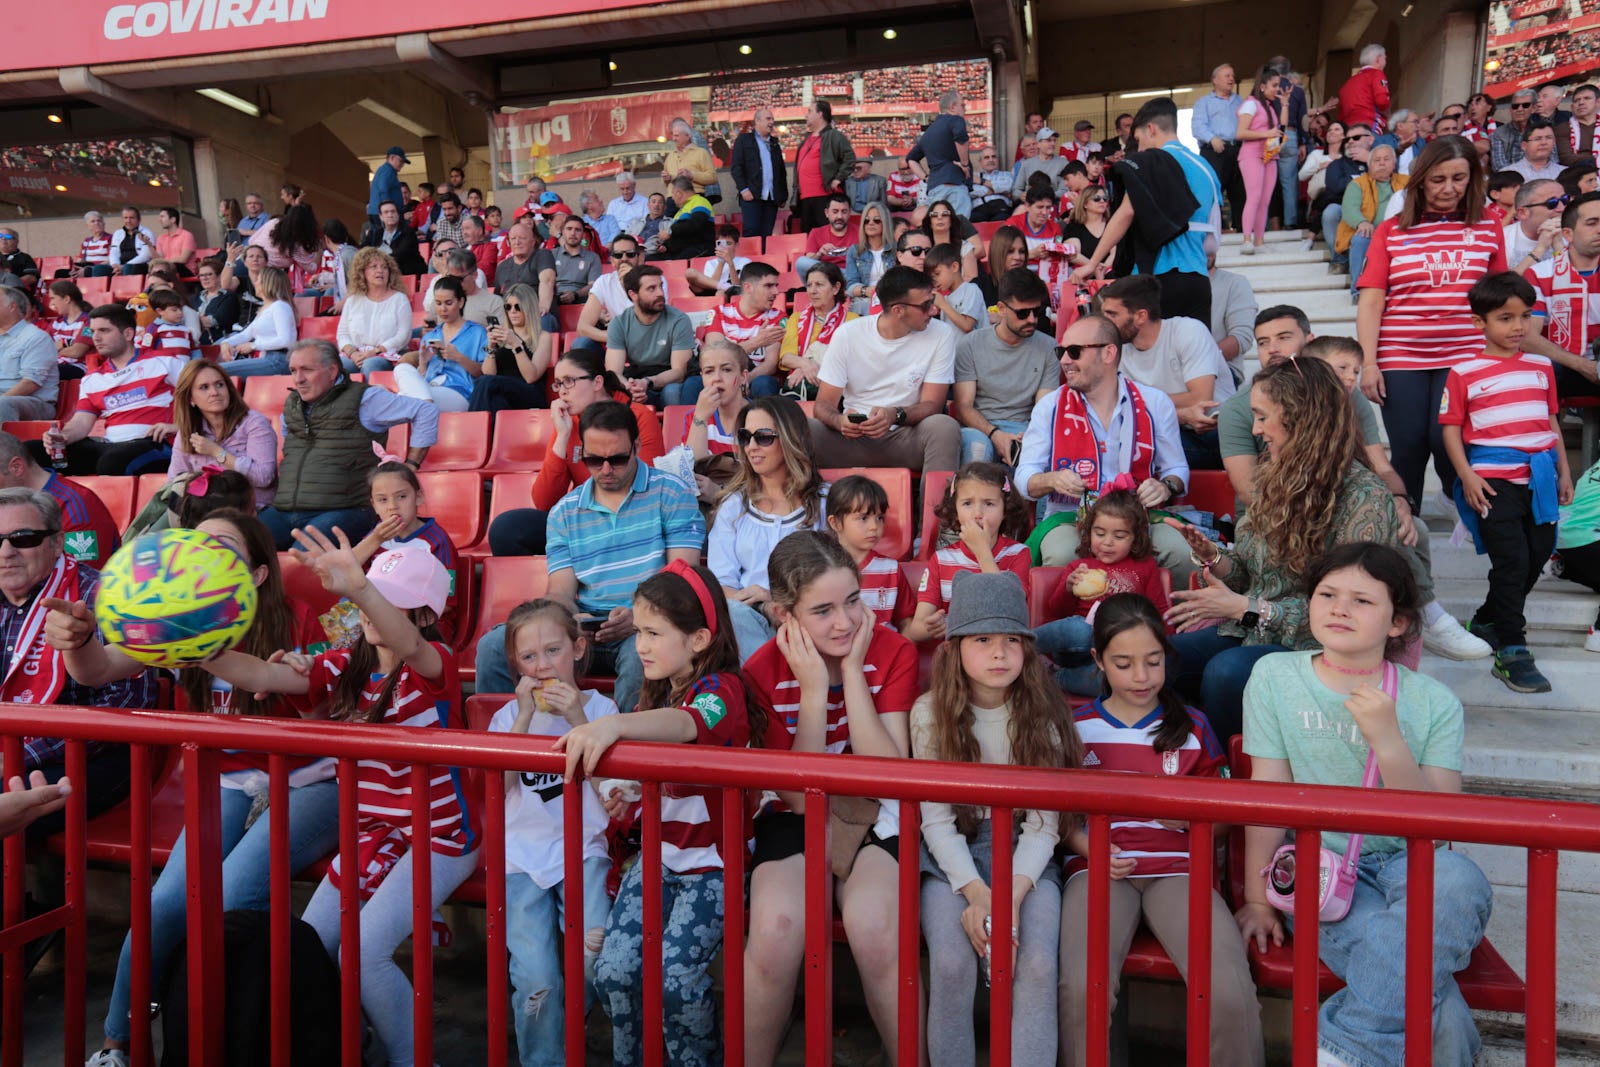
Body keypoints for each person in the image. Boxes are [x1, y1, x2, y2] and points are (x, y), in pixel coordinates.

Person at [53, 509, 330, 1067]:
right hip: (231, 778)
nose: (200, 558)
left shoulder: (302, 619)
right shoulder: (176, 619)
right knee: (165, 905)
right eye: (194, 545)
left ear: (255, 575)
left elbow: (331, 708)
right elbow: (95, 671)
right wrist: (78, 640)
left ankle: (208, 1042)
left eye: (223, 548)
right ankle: (119, 1044)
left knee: (229, 898)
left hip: (311, 778)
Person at [208, 535, 475, 1067]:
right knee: (312, 946)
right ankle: (356, 1048)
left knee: (365, 954)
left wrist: (358, 585)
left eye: (390, 599)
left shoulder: (434, 665)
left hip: (440, 836)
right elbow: (261, 674)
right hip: (373, 832)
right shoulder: (340, 666)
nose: (375, 609)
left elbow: (412, 645)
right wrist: (199, 648)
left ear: (424, 613)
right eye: (371, 595)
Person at [1239, 542, 1491, 1067]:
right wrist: (1259, 897)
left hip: (1414, 863)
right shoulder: (1275, 677)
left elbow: (1441, 825)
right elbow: (1270, 796)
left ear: (1397, 623)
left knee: (1460, 878)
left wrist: (1389, 741)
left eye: (1361, 600)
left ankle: (1345, 1049)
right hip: (1324, 867)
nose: (1338, 608)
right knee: (1426, 987)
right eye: (1327, 594)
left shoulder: (1433, 701)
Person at [558, 563, 781, 1067]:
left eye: (654, 633)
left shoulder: (723, 688)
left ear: (700, 638)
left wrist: (613, 724)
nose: (641, 645)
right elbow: (671, 771)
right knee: (614, 971)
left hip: (713, 866)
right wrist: (633, 795)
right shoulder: (657, 686)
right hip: (659, 855)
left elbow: (689, 725)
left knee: (676, 977)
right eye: (639, 632)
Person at [1055, 592, 1261, 1066]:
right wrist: (1088, 846)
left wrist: (1195, 816)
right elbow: (1058, 816)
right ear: (1098, 661)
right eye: (1124, 663)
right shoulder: (1075, 726)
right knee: (1080, 989)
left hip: (1181, 870)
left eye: (1153, 661)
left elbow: (1227, 817)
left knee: (1227, 990)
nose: (1141, 677)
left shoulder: (1193, 726)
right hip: (1098, 868)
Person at [740, 531, 917, 1066]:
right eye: (822, 610)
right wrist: (814, 691)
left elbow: (887, 776)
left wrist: (854, 679)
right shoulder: (762, 671)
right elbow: (794, 793)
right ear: (782, 614)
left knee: (874, 925)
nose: (845, 623)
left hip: (873, 812)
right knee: (775, 929)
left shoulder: (891, 649)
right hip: (799, 812)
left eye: (853, 601)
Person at [1163, 358, 1402, 739]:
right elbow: (1250, 573)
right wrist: (1215, 557)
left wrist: (1248, 608)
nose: (1256, 430)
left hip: (1322, 648)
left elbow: (1351, 608)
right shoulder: (1275, 476)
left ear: (1299, 418)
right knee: (1156, 658)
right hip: (1255, 629)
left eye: (1262, 417)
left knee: (1227, 673)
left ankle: (1238, 778)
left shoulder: (1364, 497)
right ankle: (1192, 761)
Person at [913, 569, 1075, 1065]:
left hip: (1026, 859)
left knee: (1037, 965)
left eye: (1011, 640)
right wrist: (978, 893)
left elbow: (1045, 824)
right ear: (955, 647)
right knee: (952, 964)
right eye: (982, 639)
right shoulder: (929, 714)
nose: (999, 653)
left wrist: (1009, 896)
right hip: (953, 860)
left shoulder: (1043, 715)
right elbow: (936, 821)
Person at [478, 401, 701, 714]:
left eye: (618, 459)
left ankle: (629, 756)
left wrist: (639, 618)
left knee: (645, 655)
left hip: (649, 624)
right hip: (583, 626)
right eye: (594, 460)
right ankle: (504, 748)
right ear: (581, 452)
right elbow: (560, 591)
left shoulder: (672, 493)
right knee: (493, 647)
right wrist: (567, 620)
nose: (606, 470)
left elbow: (683, 578)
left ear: (637, 446)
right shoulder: (565, 511)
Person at [488, 599, 618, 1067]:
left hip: (583, 851)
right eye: (529, 657)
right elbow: (496, 791)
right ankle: (543, 1059)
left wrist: (579, 719)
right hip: (521, 858)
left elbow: (613, 790)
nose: (543, 666)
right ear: (515, 666)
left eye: (553, 650)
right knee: (535, 976)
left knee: (592, 954)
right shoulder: (506, 719)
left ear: (579, 649)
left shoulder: (605, 710)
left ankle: (570, 1030)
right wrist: (523, 718)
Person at [1440, 272, 1573, 693]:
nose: (1518, 326)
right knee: (1513, 560)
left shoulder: (1541, 366)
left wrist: (1564, 471)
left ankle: (1486, 619)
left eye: (1525, 316)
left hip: (1542, 479)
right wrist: (1466, 475)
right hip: (1494, 482)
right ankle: (1512, 648)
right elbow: (1451, 428)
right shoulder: (1464, 371)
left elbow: (1550, 421)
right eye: (1505, 318)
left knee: (1538, 554)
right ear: (1480, 323)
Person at [0, 488, 157, 844]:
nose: (5, 552)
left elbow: (125, 709)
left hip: (89, 758)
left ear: (57, 544)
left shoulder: (106, 599)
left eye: (22, 539)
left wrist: (20, 754)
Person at [1357, 136, 1508, 506]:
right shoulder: (1392, 230)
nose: (1449, 188)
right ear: (1421, 179)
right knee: (1408, 444)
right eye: (1439, 179)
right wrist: (1369, 363)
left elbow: (1499, 295)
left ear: (1472, 178)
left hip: (1465, 352)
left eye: (1459, 178)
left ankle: (1456, 498)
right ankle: (1407, 528)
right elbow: (1372, 299)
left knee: (1446, 439)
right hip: (1401, 353)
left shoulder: (1489, 225)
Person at [1017, 314, 1195, 580]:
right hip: (1071, 519)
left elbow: (1177, 469)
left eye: (1074, 352)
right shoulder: (1050, 406)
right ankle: (1067, 623)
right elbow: (1024, 478)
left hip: (1138, 517)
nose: (1065, 360)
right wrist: (1051, 479)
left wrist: (1165, 486)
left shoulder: (1154, 402)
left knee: (1181, 552)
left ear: (1109, 353)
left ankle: (1173, 622)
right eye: (1061, 351)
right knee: (1062, 554)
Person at [257, 338, 438, 549]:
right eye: (293, 370)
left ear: (332, 371)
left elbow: (425, 411)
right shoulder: (292, 405)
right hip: (285, 510)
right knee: (233, 548)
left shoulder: (365, 398)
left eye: (306, 370)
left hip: (345, 509)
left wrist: (411, 464)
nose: (298, 379)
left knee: (302, 558)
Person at [486, 350, 663, 558]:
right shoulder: (569, 425)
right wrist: (562, 436)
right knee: (507, 528)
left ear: (597, 382)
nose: (561, 391)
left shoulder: (639, 417)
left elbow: (646, 487)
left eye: (569, 381)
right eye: (558, 384)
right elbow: (544, 502)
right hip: (583, 523)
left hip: (629, 522)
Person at [1075, 97, 1220, 325]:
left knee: (1149, 359)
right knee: (1194, 357)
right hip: (1199, 280)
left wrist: (1092, 263)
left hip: (1159, 278)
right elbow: (1213, 238)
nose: (1139, 149)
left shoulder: (1152, 161)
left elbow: (1126, 212)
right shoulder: (1206, 168)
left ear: (1150, 129)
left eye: (1139, 140)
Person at [807, 265, 962, 474]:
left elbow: (933, 404)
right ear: (898, 310)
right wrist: (840, 421)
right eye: (926, 305)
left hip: (905, 435)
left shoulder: (941, 334)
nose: (934, 310)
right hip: (853, 438)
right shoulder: (848, 334)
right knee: (801, 429)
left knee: (944, 427)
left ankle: (935, 507)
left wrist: (895, 415)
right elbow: (823, 405)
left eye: (932, 301)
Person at [708, 396, 827, 658]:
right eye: (745, 436)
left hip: (809, 616)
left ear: (791, 439)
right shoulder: (734, 507)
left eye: (763, 437)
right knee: (735, 616)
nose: (751, 447)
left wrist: (779, 603)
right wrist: (762, 605)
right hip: (749, 618)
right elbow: (721, 584)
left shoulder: (825, 502)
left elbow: (841, 573)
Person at [1032, 489, 1172, 694]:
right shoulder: (1079, 567)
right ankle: (1022, 646)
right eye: (1100, 533)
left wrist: (1167, 648)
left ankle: (1054, 677)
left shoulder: (1145, 566)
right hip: (1077, 647)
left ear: (1135, 538)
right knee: (1080, 629)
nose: (1107, 542)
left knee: (1116, 681)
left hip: (1120, 652)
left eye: (1120, 536)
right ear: (1089, 533)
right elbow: (1056, 611)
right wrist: (1068, 588)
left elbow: (1158, 610)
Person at [1099, 275, 1232, 470]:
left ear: (1141, 316)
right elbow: (1121, 410)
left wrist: (1145, 406)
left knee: (1136, 448)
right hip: (1169, 430)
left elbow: (1201, 397)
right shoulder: (1117, 349)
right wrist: (1179, 415)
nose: (1104, 323)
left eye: (1112, 314)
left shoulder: (1188, 330)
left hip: (1216, 430)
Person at [35, 305, 180, 477]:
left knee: (112, 462)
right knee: (30, 453)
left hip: (156, 443)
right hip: (110, 446)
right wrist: (63, 437)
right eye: (92, 331)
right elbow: (81, 422)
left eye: (104, 330)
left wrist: (176, 427)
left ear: (128, 334)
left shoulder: (165, 362)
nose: (96, 338)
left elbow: (206, 402)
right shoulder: (92, 379)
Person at [904, 461, 1033, 643]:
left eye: (989, 503)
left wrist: (982, 552)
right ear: (955, 511)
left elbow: (1010, 609)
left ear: (1005, 510)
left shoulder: (1018, 553)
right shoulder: (941, 559)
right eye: (967, 504)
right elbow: (916, 629)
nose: (977, 513)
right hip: (955, 657)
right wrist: (931, 627)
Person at [952, 268, 1057, 464]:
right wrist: (995, 434)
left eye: (1038, 312)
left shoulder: (1050, 347)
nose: (1032, 320)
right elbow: (963, 407)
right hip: (979, 428)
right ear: (1001, 308)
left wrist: (1028, 438)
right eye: (1023, 313)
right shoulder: (970, 345)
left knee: (1036, 459)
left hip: (1024, 428)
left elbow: (1043, 409)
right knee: (978, 451)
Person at [166, 360, 278, 509]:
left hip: (252, 509)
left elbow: (263, 477)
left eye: (219, 384)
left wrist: (217, 452)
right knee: (154, 527)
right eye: (204, 387)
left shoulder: (254, 423)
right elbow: (175, 480)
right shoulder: (187, 431)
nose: (214, 392)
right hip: (203, 510)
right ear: (190, 398)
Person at [1523, 191, 1600, 398]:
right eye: (1592, 223)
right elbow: (1528, 337)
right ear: (1568, 234)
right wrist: (1583, 365)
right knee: (1540, 370)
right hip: (1567, 367)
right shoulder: (1540, 274)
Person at [606, 265, 695, 408]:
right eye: (651, 289)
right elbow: (614, 371)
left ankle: (673, 429)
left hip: (666, 378)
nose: (660, 293)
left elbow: (679, 372)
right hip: (637, 377)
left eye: (661, 286)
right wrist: (630, 388)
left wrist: (647, 382)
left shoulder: (679, 320)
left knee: (672, 392)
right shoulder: (619, 323)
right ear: (633, 295)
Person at [696, 262, 785, 399]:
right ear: (748, 287)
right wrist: (756, 342)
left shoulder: (778, 317)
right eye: (768, 286)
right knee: (692, 384)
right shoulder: (719, 312)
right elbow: (715, 357)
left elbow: (770, 365)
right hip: (720, 374)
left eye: (776, 286)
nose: (776, 292)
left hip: (754, 377)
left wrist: (744, 380)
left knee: (764, 383)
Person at [402, 276, 484, 413]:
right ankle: (425, 407)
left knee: (404, 399)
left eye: (448, 303)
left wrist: (459, 357)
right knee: (402, 368)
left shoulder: (477, 332)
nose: (443, 309)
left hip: (459, 393)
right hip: (429, 388)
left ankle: (423, 406)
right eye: (438, 303)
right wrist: (423, 362)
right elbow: (422, 376)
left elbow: (483, 373)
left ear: (461, 302)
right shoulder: (430, 336)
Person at [469, 283, 551, 415]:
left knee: (485, 382)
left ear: (528, 308)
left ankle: (472, 428)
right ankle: (488, 434)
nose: (512, 311)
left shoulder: (543, 337)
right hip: (501, 392)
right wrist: (491, 347)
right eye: (508, 307)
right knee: (496, 401)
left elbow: (531, 377)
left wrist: (516, 345)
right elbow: (488, 373)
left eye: (518, 307)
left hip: (529, 392)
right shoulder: (503, 333)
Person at [1338, 143, 1406, 300]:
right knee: (1361, 237)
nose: (1382, 163)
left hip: (1400, 231)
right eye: (1377, 160)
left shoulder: (1406, 181)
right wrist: (1361, 222)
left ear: (1394, 164)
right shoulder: (1357, 184)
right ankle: (1358, 291)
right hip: (1372, 232)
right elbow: (1349, 208)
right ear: (1369, 165)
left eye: (1386, 159)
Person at [778, 262, 855, 400]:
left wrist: (808, 367)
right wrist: (806, 364)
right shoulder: (796, 318)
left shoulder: (851, 320)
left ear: (836, 288)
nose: (812, 291)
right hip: (799, 385)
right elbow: (786, 358)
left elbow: (849, 360)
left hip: (836, 386)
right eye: (809, 285)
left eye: (819, 285)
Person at [336, 247, 412, 375]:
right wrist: (352, 353)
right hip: (356, 354)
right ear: (362, 272)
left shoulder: (399, 299)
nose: (380, 271)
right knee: (338, 365)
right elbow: (342, 334)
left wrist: (376, 351)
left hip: (387, 354)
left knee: (371, 364)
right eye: (374, 267)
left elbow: (403, 335)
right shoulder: (352, 300)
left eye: (384, 267)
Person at [1235, 63, 1285, 256]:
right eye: (1274, 85)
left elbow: (1281, 127)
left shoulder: (1270, 107)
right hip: (1251, 155)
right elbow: (1240, 133)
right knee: (1254, 197)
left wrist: (1286, 104)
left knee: (1265, 200)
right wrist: (1267, 133)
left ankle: (1259, 241)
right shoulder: (1250, 103)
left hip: (1270, 156)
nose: (1277, 90)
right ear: (1262, 86)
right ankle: (1247, 239)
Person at [217, 266, 297, 378]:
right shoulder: (265, 309)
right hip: (265, 358)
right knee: (212, 370)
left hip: (278, 360)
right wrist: (226, 343)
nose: (255, 282)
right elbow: (246, 334)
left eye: (258, 279)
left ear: (267, 283)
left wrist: (253, 346)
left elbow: (285, 340)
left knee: (216, 371)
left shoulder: (280, 306)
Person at [1193, 64, 1247, 232]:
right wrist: (1212, 138)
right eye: (1227, 75)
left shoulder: (1240, 101)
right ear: (1215, 80)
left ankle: (1241, 229)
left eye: (1232, 75)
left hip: (1238, 150)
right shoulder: (1204, 102)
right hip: (1214, 151)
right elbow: (1197, 127)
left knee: (1240, 192)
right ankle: (1212, 230)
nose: (1231, 79)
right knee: (1213, 192)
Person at [792, 99, 856, 231]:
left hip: (824, 195)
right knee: (809, 236)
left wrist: (838, 178)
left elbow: (849, 158)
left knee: (827, 235)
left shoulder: (834, 135)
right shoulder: (806, 139)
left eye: (810, 111)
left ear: (820, 114)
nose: (806, 115)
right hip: (804, 197)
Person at [907, 89, 972, 218]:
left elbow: (911, 159)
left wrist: (925, 178)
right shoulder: (956, 120)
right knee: (959, 228)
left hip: (934, 189)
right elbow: (960, 137)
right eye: (963, 105)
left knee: (939, 230)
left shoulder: (928, 133)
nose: (965, 109)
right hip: (954, 185)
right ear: (952, 107)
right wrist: (965, 165)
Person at [0, 286, 59, 423]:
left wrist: (2, 399)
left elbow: (31, 383)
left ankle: (4, 444)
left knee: (3, 405)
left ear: (12, 306)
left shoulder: (36, 337)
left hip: (34, 402)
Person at [496, 223, 558, 332]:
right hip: (511, 318)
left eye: (522, 238)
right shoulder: (502, 266)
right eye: (513, 239)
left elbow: (547, 281)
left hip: (537, 315)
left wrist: (543, 306)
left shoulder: (543, 255)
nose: (517, 242)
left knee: (542, 319)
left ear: (533, 242)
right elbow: (497, 298)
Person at [1207, 251, 1257, 374]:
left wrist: (1196, 363)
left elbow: (1241, 338)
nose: (1207, 248)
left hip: (1222, 371)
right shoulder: (1164, 283)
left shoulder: (1234, 282)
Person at [1503, 179, 1566, 274]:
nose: (1562, 208)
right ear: (1523, 213)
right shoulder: (1502, 238)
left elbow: (1581, 283)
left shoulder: (1577, 233)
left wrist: (1559, 247)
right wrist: (1540, 249)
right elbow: (1504, 287)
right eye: (1552, 203)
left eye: (1565, 200)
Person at [795, 195, 859, 277]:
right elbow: (808, 262)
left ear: (849, 213)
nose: (839, 216)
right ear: (827, 213)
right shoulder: (816, 233)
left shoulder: (860, 232)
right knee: (801, 262)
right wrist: (820, 253)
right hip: (824, 278)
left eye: (844, 212)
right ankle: (833, 274)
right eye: (835, 212)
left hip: (851, 276)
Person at [927, 244, 985, 334]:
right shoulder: (945, 299)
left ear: (954, 267)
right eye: (931, 277)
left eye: (937, 273)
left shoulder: (971, 290)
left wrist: (943, 305)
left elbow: (967, 326)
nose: (934, 280)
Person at [360, 201, 426, 275]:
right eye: (386, 212)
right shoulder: (375, 233)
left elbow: (401, 254)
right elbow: (363, 249)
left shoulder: (407, 231)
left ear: (398, 214)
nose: (390, 215)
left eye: (393, 211)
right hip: (383, 271)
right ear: (381, 216)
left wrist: (377, 259)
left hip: (407, 272)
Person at [922, 201, 982, 281]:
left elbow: (971, 279)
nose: (940, 217)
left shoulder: (964, 247)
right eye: (934, 215)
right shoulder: (923, 250)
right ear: (929, 222)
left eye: (945, 214)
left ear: (951, 221)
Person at [1339, 44, 1391, 134]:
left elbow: (1341, 113)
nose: (1386, 61)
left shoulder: (1348, 82)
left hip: (1348, 130)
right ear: (1378, 59)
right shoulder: (1377, 74)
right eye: (1384, 58)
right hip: (1369, 127)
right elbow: (1382, 101)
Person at [553, 215, 602, 308]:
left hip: (581, 299)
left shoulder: (593, 257)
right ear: (563, 232)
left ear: (583, 234)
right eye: (569, 229)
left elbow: (593, 285)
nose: (573, 233)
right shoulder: (552, 254)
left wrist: (575, 294)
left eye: (577, 230)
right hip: (554, 297)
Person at [661, 118, 717, 198]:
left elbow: (712, 177)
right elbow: (666, 182)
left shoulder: (699, 151)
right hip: (673, 198)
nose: (673, 139)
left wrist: (691, 175)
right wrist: (666, 179)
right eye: (672, 135)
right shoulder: (670, 156)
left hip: (694, 196)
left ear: (687, 136)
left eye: (676, 135)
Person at [978, 225, 1029, 306]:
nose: (1018, 257)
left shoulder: (1034, 285)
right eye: (1010, 251)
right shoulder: (979, 287)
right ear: (997, 253)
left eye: (1022, 251)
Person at [1013, 126, 1069, 196]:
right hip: (1031, 204)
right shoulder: (1026, 164)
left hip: (1053, 204)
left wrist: (1045, 196)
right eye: (1048, 140)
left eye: (1054, 140)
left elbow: (1065, 190)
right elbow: (1016, 190)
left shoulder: (1063, 163)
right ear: (1038, 144)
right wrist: (1021, 195)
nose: (1053, 144)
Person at [1493, 90, 1539, 172]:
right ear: (1510, 109)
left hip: (1538, 178)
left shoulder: (1542, 132)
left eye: (1525, 105)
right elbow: (1499, 166)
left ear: (1534, 108)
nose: (1519, 109)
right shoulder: (1499, 133)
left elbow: (1552, 161)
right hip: (1510, 180)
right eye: (1515, 106)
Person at [1556, 83, 1599, 165]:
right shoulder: (1563, 128)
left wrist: (1582, 156)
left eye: (1587, 98)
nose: (1581, 103)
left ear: (1598, 102)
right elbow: (1567, 159)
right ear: (1572, 107)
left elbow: (1574, 157)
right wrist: (1595, 157)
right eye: (1576, 100)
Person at [107, 206, 156, 277]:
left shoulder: (146, 233)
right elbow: (114, 252)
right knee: (100, 269)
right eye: (125, 218)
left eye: (132, 218)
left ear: (139, 220)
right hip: (121, 265)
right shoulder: (118, 233)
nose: (128, 221)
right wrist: (115, 265)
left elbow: (145, 256)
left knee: (128, 268)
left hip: (140, 265)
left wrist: (124, 266)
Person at [152, 208, 196, 274]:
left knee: (174, 266)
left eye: (162, 216)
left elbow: (183, 259)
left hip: (184, 271)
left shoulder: (187, 235)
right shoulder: (161, 238)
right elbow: (158, 259)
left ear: (173, 219)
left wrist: (163, 261)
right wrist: (148, 244)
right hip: (167, 269)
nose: (159, 220)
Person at [73, 212, 115, 278]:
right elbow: (81, 259)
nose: (96, 223)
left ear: (103, 224)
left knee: (93, 270)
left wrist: (91, 268)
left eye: (99, 221)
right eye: (93, 221)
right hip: (87, 267)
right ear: (88, 225)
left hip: (102, 268)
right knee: (63, 272)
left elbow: (111, 258)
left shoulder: (110, 238)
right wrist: (75, 268)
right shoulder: (86, 241)